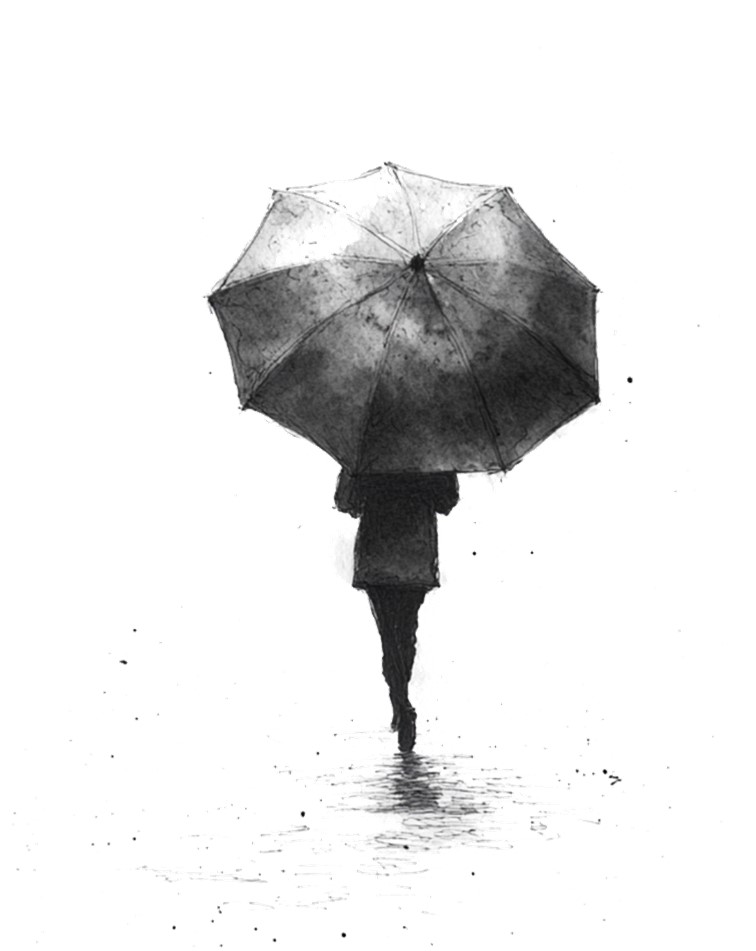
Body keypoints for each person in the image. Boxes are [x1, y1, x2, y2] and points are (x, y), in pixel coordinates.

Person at [335, 469, 459, 752]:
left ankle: (401, 702)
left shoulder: (367, 453)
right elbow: (447, 501)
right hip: (415, 556)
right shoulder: (431, 451)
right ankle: (401, 702)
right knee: (406, 633)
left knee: (389, 637)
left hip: (377, 554)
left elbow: (345, 502)